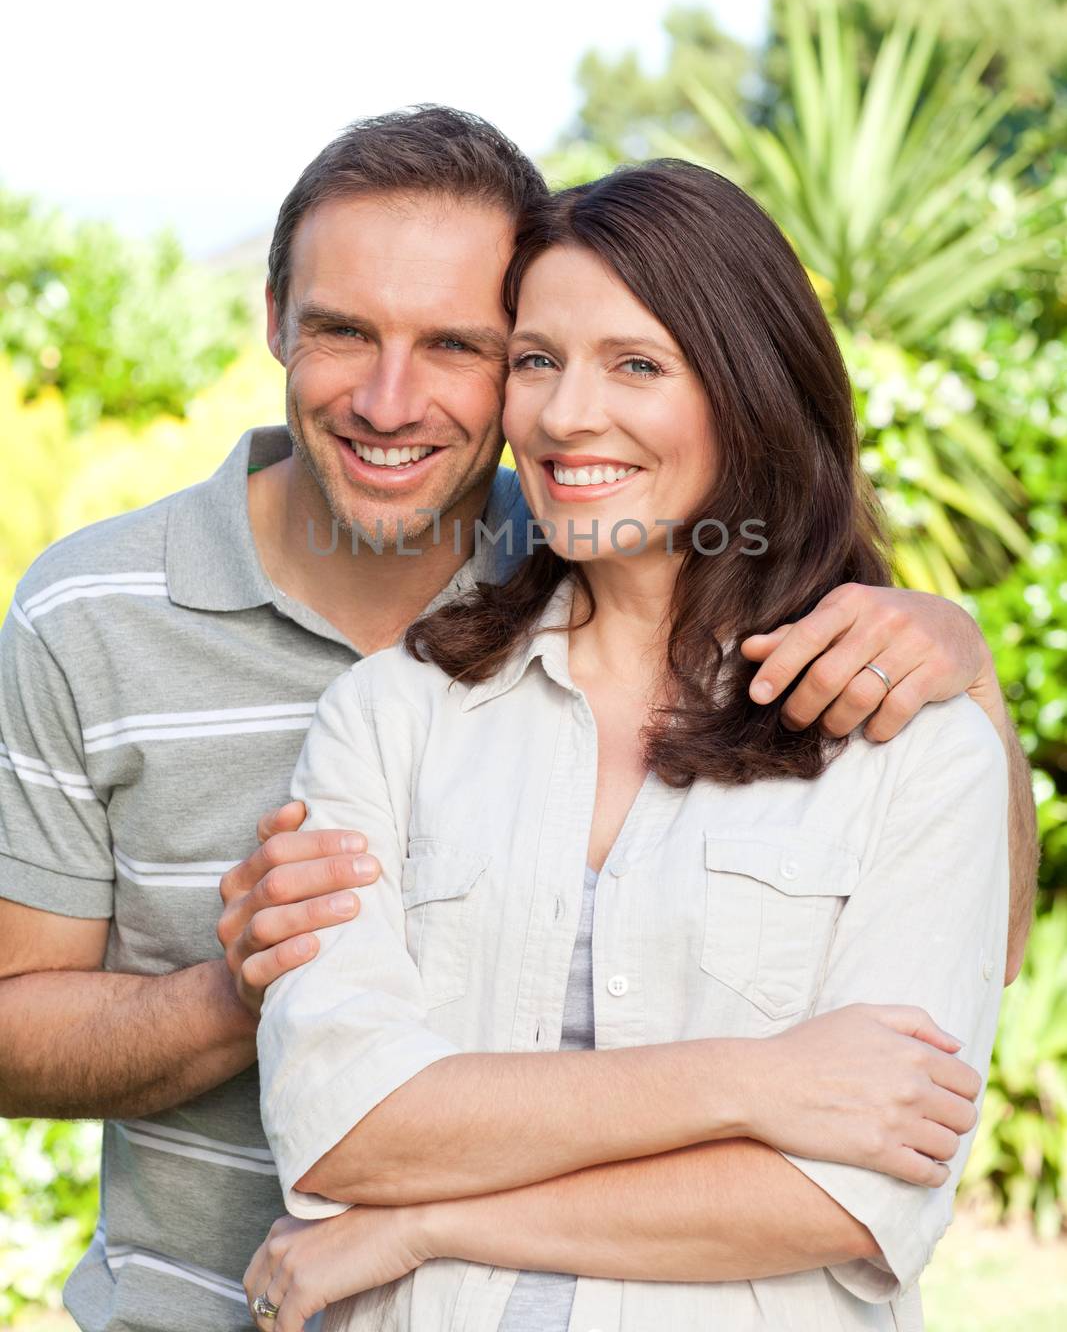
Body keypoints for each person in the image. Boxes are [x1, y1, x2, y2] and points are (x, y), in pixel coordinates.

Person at [0, 111, 1032, 1332]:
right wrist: (253, 993)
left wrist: (965, 675)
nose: (393, 400)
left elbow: (886, 1135)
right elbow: (316, 1122)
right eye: (342, 330)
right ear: (271, 317)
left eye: (462, 346)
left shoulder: (861, 694)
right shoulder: (296, 674)